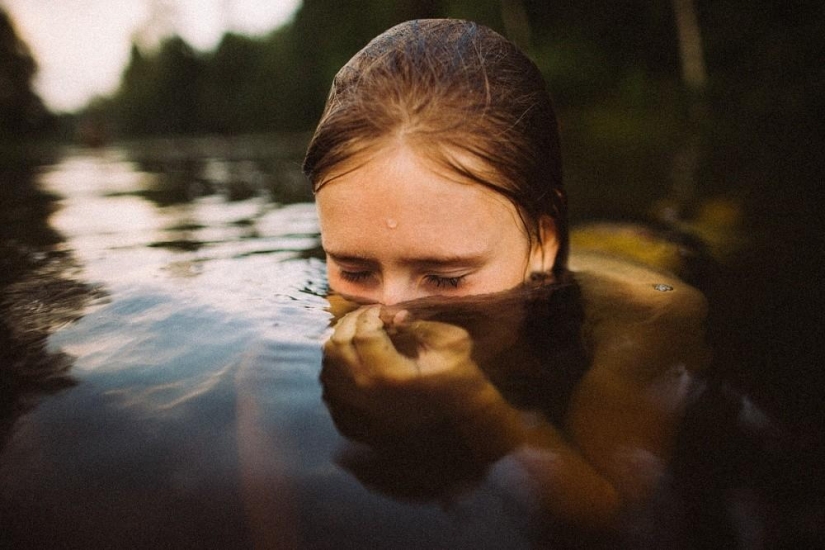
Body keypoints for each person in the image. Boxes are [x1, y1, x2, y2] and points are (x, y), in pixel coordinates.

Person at [302, 18, 710, 535]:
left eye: (446, 279)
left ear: (542, 241)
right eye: (355, 268)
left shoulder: (648, 311)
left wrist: (474, 400)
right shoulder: (336, 300)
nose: (390, 312)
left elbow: (608, 513)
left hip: (645, 253)